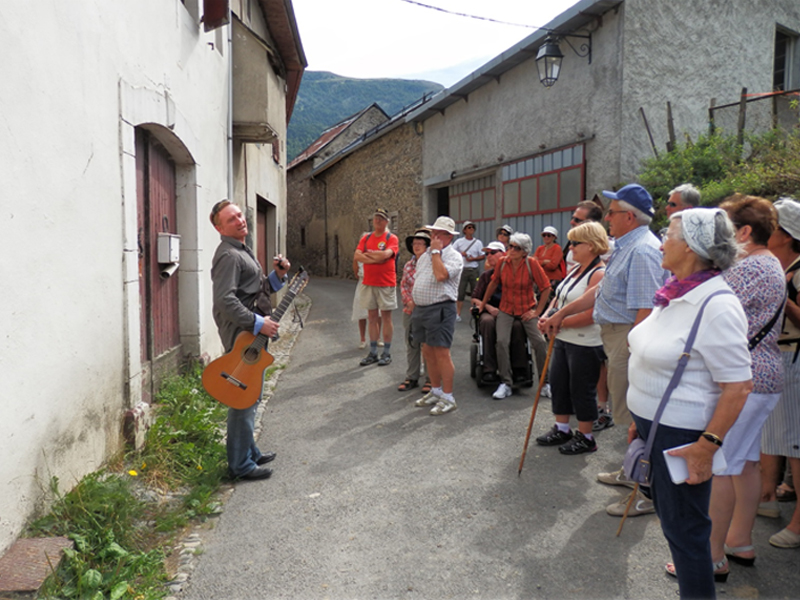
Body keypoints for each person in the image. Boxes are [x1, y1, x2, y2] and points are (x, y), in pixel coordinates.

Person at [628, 208, 752, 598]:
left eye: (670, 235)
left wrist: (706, 446)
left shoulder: (716, 303)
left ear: (692, 247)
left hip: (683, 434)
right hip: (656, 426)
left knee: (687, 533)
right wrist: (640, 417)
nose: (662, 241)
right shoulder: (677, 292)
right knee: (675, 525)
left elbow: (739, 386)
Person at [543, 183, 666, 517]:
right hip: (615, 335)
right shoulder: (625, 247)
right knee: (629, 412)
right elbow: (598, 295)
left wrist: (633, 349)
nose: (606, 217)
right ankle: (632, 471)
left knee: (637, 414)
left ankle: (649, 490)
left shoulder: (642, 250)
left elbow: (645, 308)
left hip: (628, 337)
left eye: (611, 213)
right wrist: (560, 313)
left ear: (629, 216)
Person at [701, 195, 785, 572]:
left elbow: (709, 311)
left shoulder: (748, 267)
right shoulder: (769, 264)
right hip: (764, 374)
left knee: (718, 464)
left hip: (743, 378)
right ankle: (739, 541)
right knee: (744, 463)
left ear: (745, 232)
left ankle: (712, 555)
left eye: (726, 227)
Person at [209, 200, 290, 481]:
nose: (240, 221)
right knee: (242, 398)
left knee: (252, 394)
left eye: (240, 215)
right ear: (219, 227)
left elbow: (255, 291)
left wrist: (278, 275)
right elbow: (225, 299)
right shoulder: (229, 255)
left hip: (252, 333)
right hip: (241, 334)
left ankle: (249, 451)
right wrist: (258, 322)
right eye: (231, 219)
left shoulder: (241, 250)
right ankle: (240, 465)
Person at [536, 222, 608, 454]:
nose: (571, 248)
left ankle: (586, 436)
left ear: (592, 245)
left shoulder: (599, 273)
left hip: (585, 341)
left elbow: (591, 313)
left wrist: (557, 322)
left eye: (576, 243)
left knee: (582, 389)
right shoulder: (576, 269)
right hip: (563, 338)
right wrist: (547, 316)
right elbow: (559, 299)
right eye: (571, 243)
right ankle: (562, 427)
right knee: (559, 383)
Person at [760, 197, 800, 549]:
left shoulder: (798, 270)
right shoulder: (778, 265)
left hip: (794, 358)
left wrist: (782, 297)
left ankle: (799, 523)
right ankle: (767, 496)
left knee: (795, 444)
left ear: (786, 235)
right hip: (777, 356)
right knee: (773, 436)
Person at [478, 232, 552, 400]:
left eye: (516, 248)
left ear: (524, 251)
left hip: (527, 308)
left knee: (540, 342)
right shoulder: (503, 263)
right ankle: (506, 382)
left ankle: (545, 383)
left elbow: (546, 287)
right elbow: (494, 283)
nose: (511, 250)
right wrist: (482, 304)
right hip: (506, 309)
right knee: (501, 342)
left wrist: (537, 312)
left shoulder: (531, 264)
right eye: (510, 246)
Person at [412, 216, 463, 416]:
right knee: (427, 351)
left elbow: (441, 275)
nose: (433, 236)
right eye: (432, 232)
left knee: (441, 353)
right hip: (423, 309)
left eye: (437, 233)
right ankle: (435, 390)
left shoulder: (453, 256)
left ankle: (448, 396)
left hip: (441, 308)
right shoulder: (425, 255)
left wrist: (435, 252)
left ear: (448, 236)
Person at [470, 241, 529, 384]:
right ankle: (489, 369)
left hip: (510, 311)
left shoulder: (515, 274)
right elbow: (475, 298)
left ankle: (519, 368)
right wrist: (489, 308)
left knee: (517, 326)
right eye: (487, 253)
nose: (488, 256)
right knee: (487, 322)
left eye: (492, 252)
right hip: (491, 310)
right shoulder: (486, 276)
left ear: (503, 254)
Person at [354, 208, 399, 367]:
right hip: (369, 282)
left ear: (387, 222)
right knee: (372, 318)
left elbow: (386, 255)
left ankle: (386, 352)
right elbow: (357, 256)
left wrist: (368, 257)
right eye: (376, 218)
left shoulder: (391, 238)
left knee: (386, 318)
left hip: (386, 283)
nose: (378, 221)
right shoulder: (366, 238)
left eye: (381, 219)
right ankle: (373, 352)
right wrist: (376, 259)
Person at [398, 228, 432, 393]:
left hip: (426, 309)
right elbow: (403, 285)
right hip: (410, 310)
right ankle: (412, 376)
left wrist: (419, 303)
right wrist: (409, 301)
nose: (417, 246)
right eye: (415, 243)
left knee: (427, 345)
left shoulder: (432, 264)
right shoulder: (408, 265)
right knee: (412, 344)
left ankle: (430, 378)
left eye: (421, 243)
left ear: (427, 246)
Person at [452, 221, 484, 321]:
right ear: (464, 230)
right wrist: (461, 254)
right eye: (468, 227)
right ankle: (457, 313)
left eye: (472, 228)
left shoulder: (478, 243)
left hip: (474, 269)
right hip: (462, 269)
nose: (471, 229)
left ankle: (477, 313)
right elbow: (452, 252)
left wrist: (473, 259)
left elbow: (482, 255)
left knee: (476, 292)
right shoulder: (459, 242)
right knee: (460, 292)